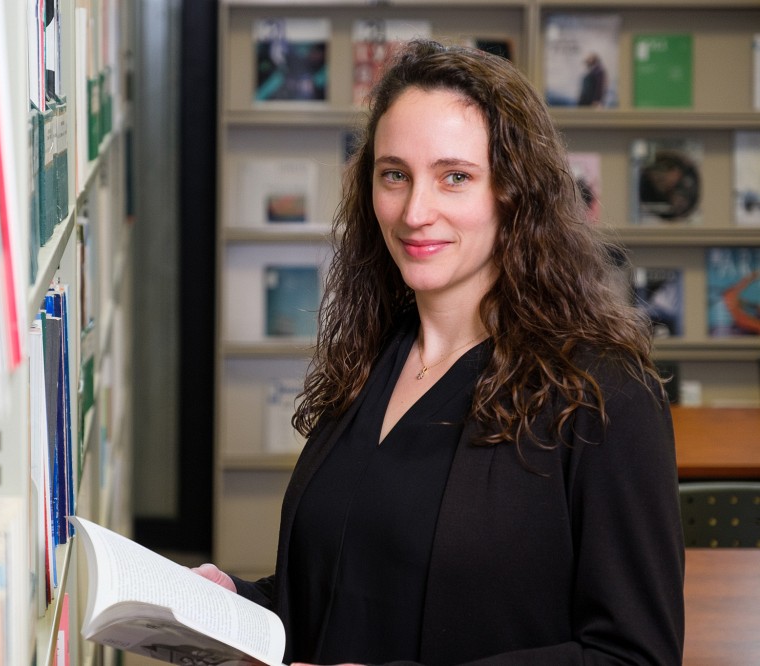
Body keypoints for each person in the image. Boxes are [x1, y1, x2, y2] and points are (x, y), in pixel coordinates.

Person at [195, 39, 684, 664]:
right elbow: (350, 595)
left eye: (455, 177)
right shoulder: (372, 360)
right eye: (394, 175)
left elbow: (633, 655)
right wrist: (232, 605)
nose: (415, 211)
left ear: (513, 193)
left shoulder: (604, 393)